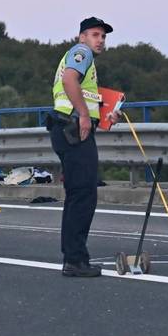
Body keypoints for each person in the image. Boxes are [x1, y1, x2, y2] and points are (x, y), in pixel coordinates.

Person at [48, 17, 118, 276]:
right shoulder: (81, 53)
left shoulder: (83, 60)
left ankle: (74, 258)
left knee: (79, 193)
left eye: (103, 36)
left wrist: (104, 116)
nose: (100, 40)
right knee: (83, 194)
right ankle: (75, 261)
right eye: (95, 34)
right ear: (82, 37)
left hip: (68, 127)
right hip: (72, 129)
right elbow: (69, 81)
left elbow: (83, 95)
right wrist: (85, 116)